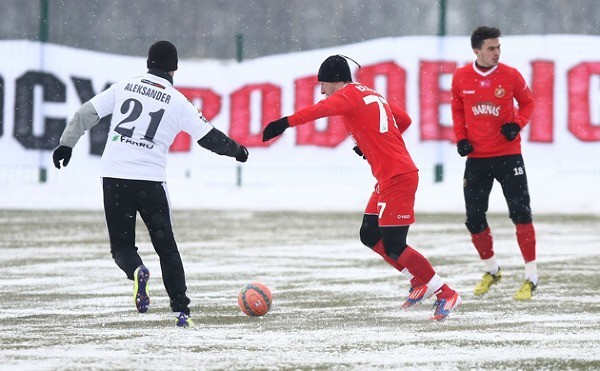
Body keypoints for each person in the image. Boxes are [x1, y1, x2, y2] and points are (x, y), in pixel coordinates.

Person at [52, 40, 249, 327]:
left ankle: (136, 270)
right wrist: (238, 151)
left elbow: (85, 114)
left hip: (115, 177)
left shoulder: (125, 86)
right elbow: (209, 138)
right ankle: (181, 310)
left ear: (148, 63)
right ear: (174, 69)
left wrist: (65, 145)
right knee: (166, 247)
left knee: (121, 248)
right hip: (150, 181)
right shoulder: (178, 100)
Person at [262, 55, 461, 321]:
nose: (322, 90)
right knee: (370, 235)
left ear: (334, 80)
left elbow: (317, 111)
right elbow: (403, 120)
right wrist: (372, 143)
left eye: (323, 84)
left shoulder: (346, 96)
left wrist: (282, 123)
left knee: (394, 244)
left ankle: (445, 292)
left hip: (398, 177)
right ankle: (418, 280)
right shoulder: (369, 93)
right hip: (388, 176)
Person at [451, 26, 537, 300]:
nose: (496, 52)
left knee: (520, 213)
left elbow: (528, 103)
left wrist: (517, 124)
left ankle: (531, 277)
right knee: (474, 219)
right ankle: (492, 270)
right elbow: (456, 109)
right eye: (491, 48)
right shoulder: (461, 77)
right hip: (477, 159)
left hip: (508, 156)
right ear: (476, 51)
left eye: (498, 47)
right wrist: (461, 138)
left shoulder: (510, 75)